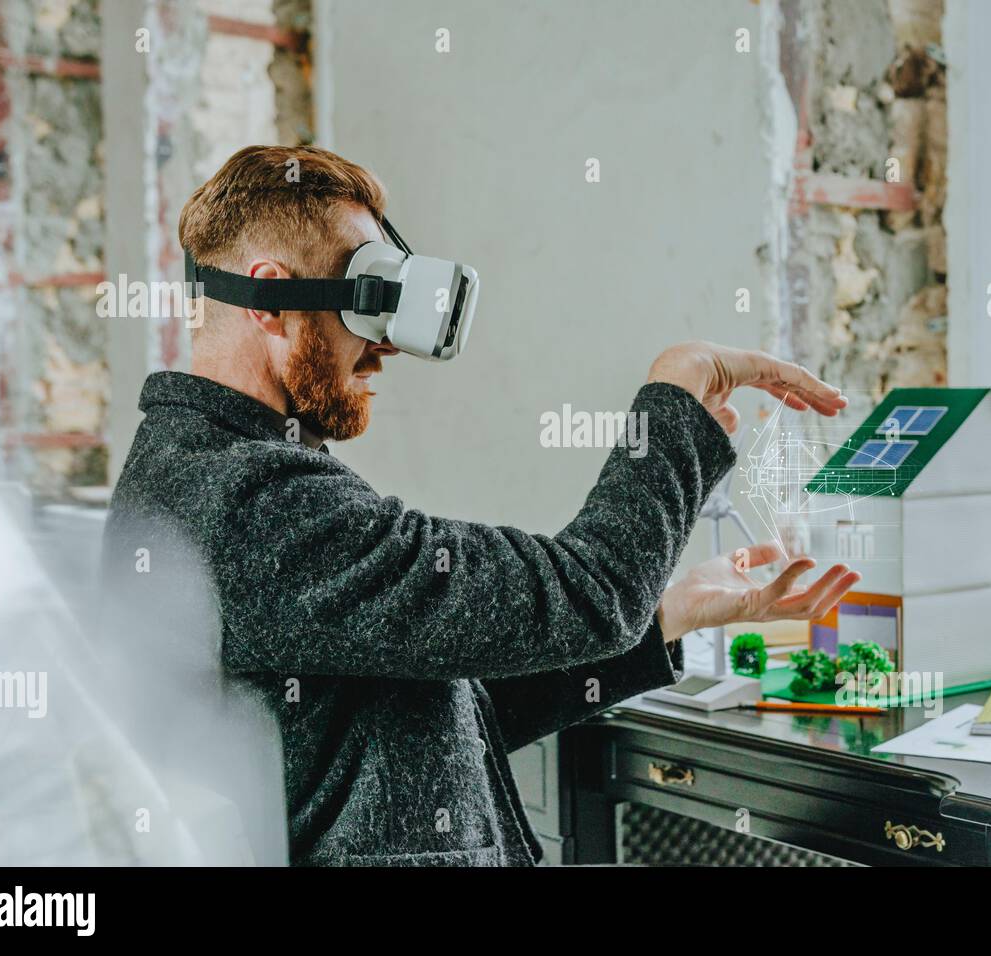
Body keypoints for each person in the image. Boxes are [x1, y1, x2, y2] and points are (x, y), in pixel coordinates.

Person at [102, 144, 860, 866]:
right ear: (270, 300)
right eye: (369, 306)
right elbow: (589, 590)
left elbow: (433, 713)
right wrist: (676, 393)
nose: (384, 349)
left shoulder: (193, 467)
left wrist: (668, 616)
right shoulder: (253, 502)